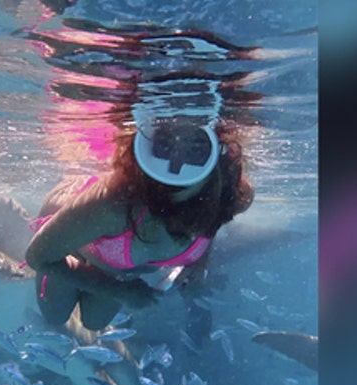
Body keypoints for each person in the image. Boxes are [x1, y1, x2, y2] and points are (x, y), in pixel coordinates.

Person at [24, 81, 254, 331]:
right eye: (165, 146)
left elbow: (212, 221)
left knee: (93, 324)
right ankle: (69, 247)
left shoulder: (233, 197)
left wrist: (199, 261)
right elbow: (38, 257)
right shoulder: (114, 204)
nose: (176, 165)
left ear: (217, 163)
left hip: (112, 260)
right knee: (56, 318)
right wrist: (119, 290)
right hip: (73, 215)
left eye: (194, 150)